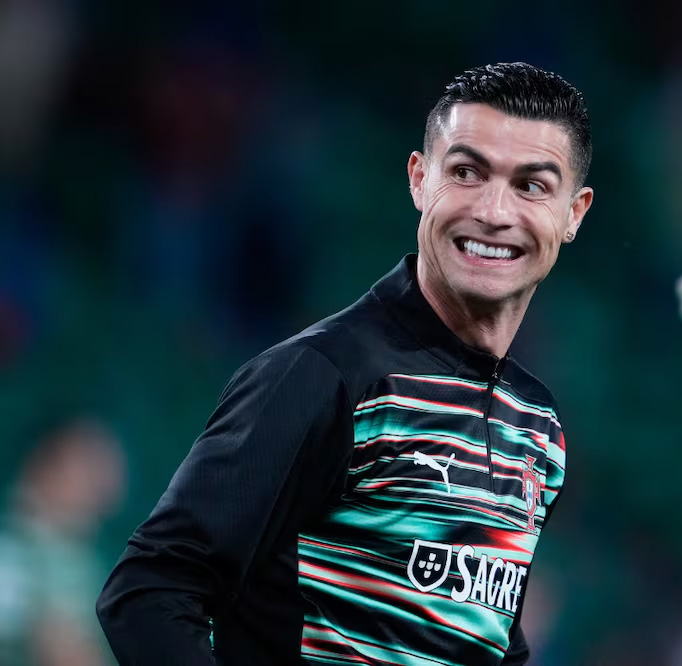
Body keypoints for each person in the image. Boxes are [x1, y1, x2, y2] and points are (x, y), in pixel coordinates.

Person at [97, 62, 594, 665]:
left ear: (573, 213)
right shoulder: (322, 376)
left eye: (531, 186)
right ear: (419, 179)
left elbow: (480, 638)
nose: (494, 211)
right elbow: (148, 591)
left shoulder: (537, 424)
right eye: (466, 173)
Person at [0, 417, 126, 666]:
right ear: (47, 470)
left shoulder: (78, 562)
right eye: (89, 469)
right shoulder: (14, 556)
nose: (102, 490)